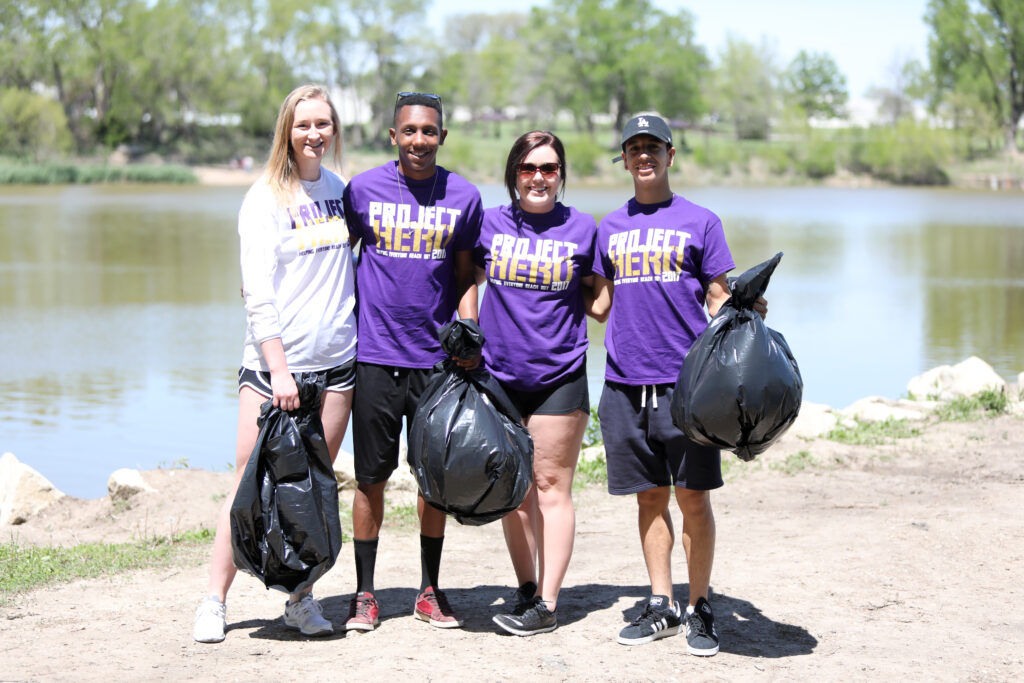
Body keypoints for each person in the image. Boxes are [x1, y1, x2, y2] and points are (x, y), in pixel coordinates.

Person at [593, 114, 765, 656]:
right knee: (649, 498)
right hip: (624, 382)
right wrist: (531, 290)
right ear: (623, 158)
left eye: (654, 147)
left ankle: (701, 606)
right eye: (634, 147)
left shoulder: (701, 221)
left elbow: (717, 296)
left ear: (671, 155)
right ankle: (662, 604)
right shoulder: (608, 227)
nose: (644, 156)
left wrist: (744, 309)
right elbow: (599, 304)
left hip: (687, 386)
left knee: (693, 498)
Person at [193, 84, 357, 643]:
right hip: (273, 372)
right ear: (286, 129)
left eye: (323, 124)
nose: (314, 134)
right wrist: (279, 369)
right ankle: (214, 600)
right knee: (247, 484)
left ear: (334, 130)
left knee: (312, 489)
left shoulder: (339, 191)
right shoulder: (265, 197)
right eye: (304, 123)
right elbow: (256, 293)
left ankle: (300, 598)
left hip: (337, 367)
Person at [341, 92, 482, 631]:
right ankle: (364, 595)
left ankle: (429, 590)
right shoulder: (363, 190)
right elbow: (334, 260)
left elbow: (468, 274)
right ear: (393, 136)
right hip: (374, 357)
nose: (419, 140)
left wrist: (469, 337)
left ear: (442, 137)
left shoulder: (464, 196)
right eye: (410, 131)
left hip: (436, 364)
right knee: (370, 480)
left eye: (429, 131)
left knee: (434, 482)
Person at [475, 131, 605, 636]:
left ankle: (548, 605)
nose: (538, 177)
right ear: (513, 174)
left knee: (551, 488)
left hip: (560, 376)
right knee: (514, 491)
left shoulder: (582, 228)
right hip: (499, 376)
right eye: (528, 168)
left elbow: (600, 297)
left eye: (549, 168)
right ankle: (527, 588)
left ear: (561, 175)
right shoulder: (489, 224)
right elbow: (464, 278)